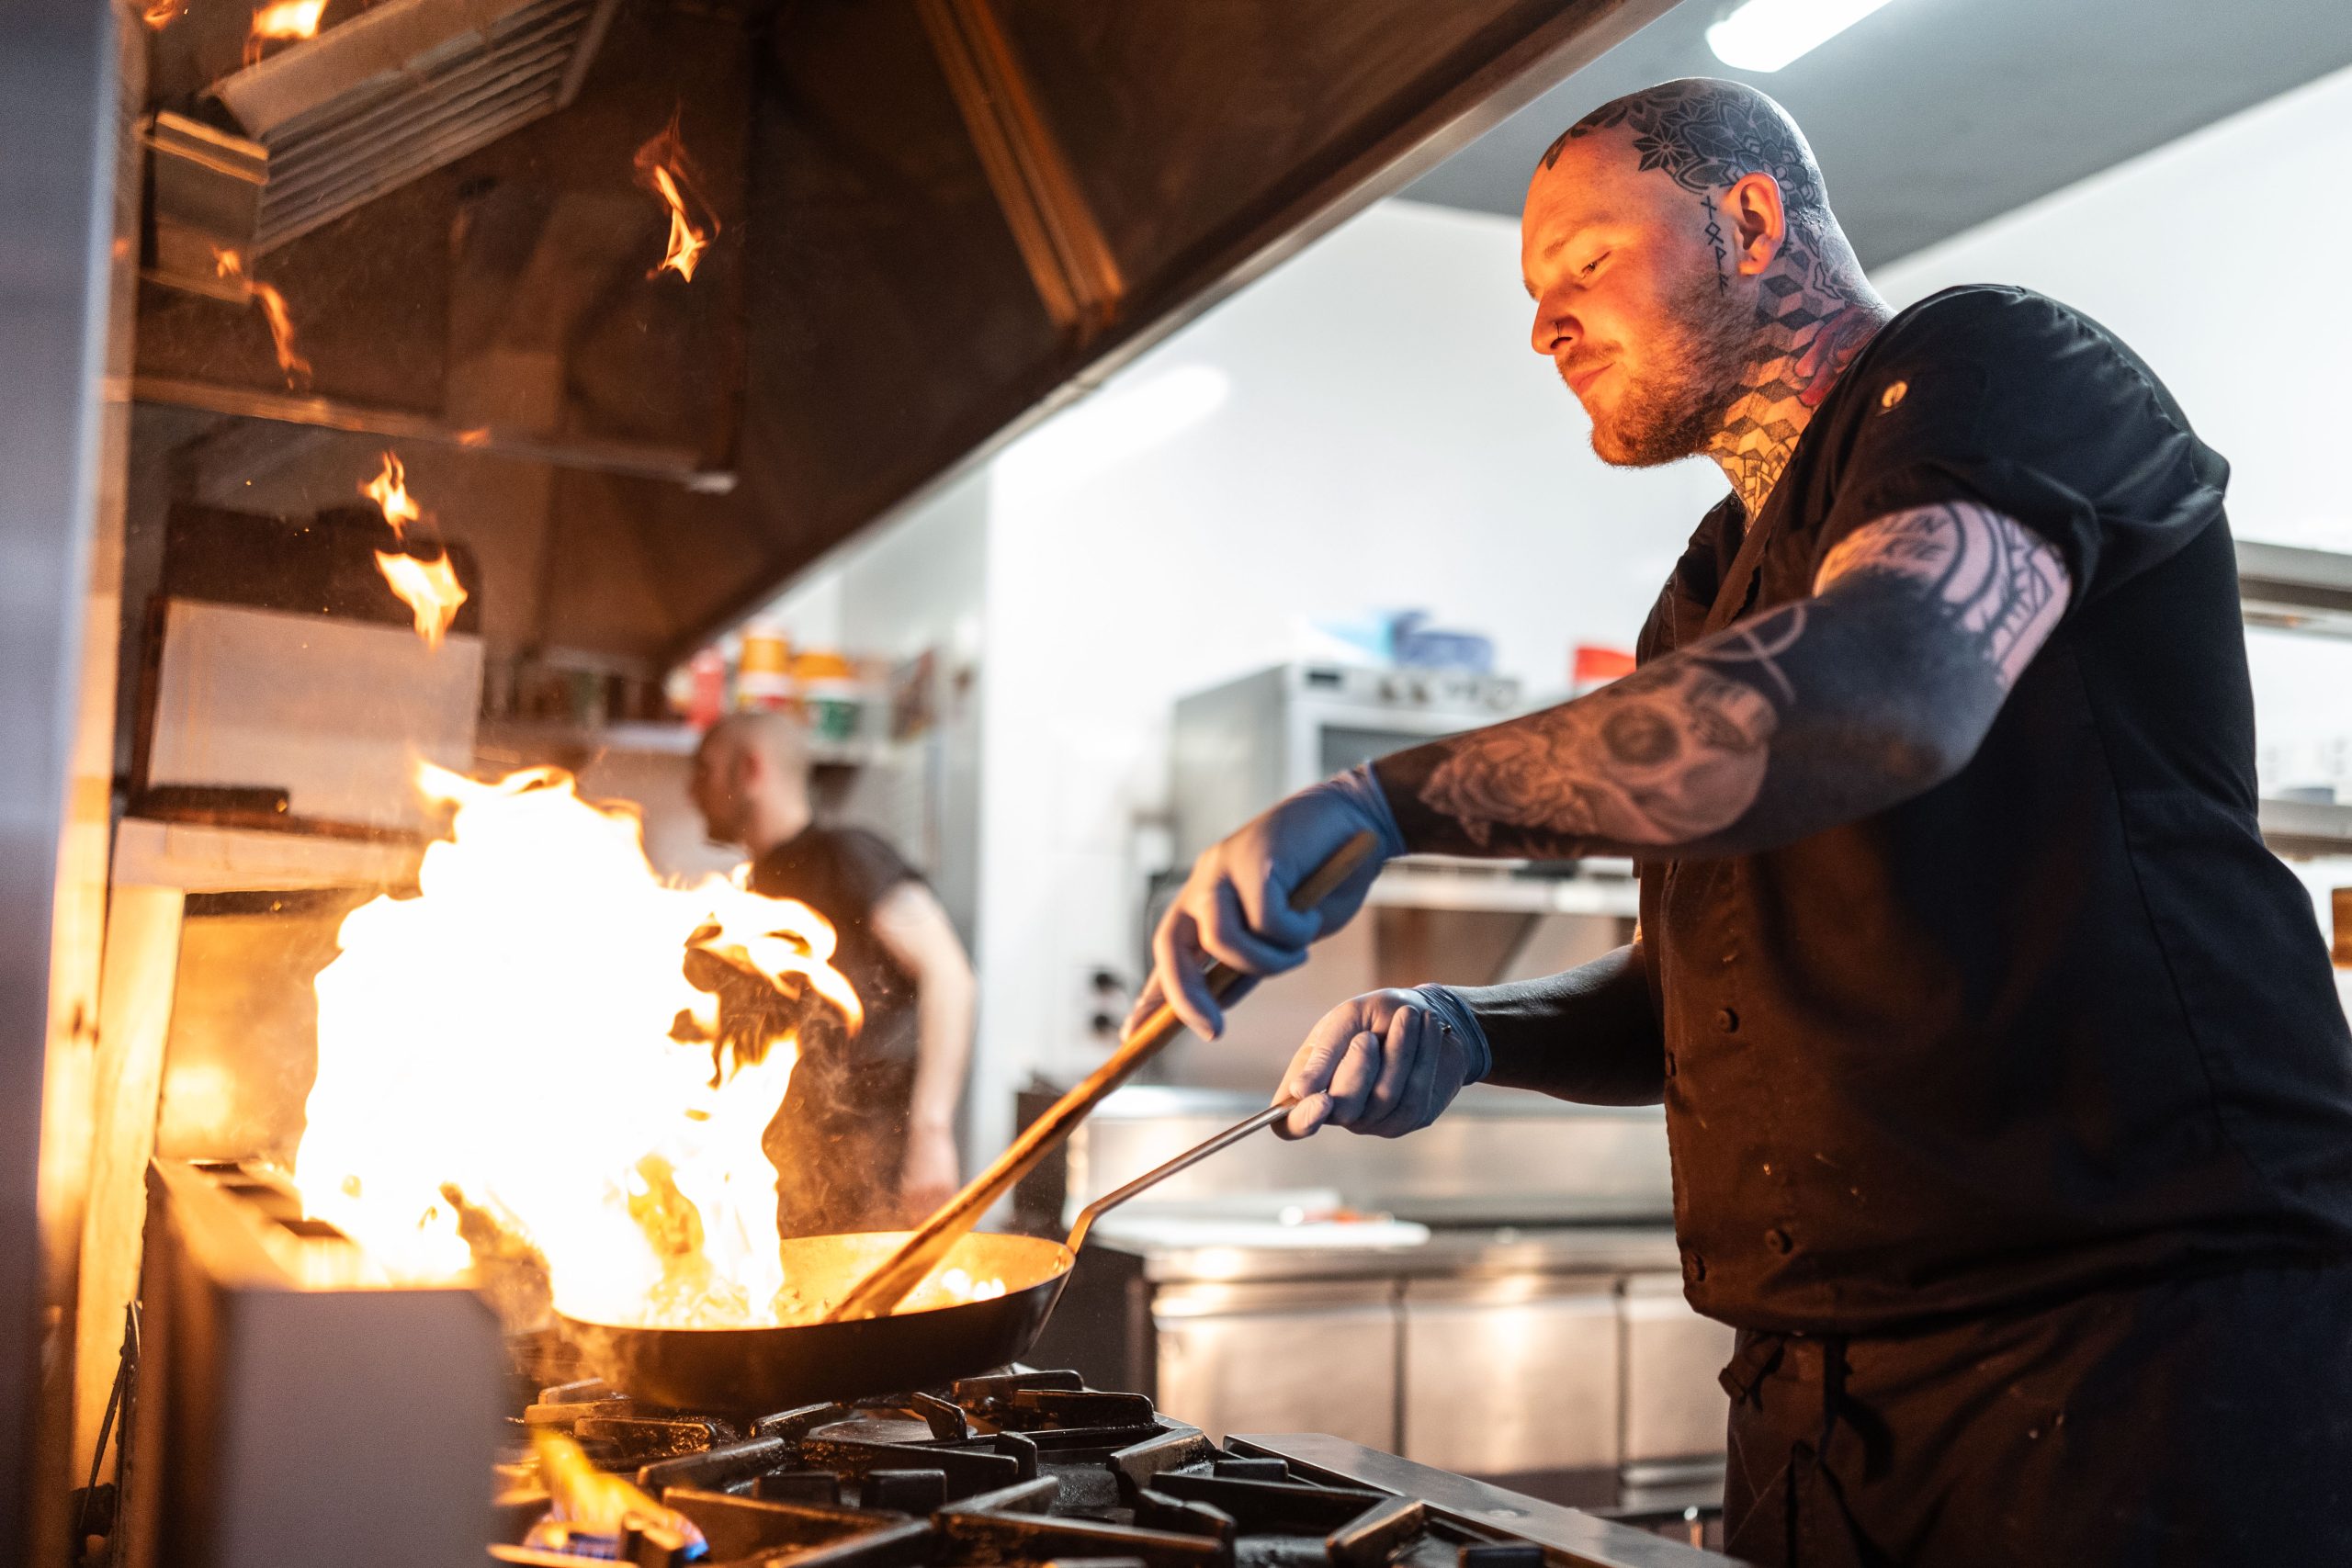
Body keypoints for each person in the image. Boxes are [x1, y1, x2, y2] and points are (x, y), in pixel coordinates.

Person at [1133, 77, 2352, 1567]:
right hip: (1813, 1396)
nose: (1545, 327)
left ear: (1752, 218)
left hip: (2132, 1349)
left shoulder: (1994, 366)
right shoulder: (1706, 595)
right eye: (1533, 296)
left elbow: (1886, 690)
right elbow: (1707, 994)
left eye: (1581, 262)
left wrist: (1391, 796)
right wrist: (1472, 1027)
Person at [691, 710, 975, 1235]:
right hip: (791, 1190)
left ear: (750, 769)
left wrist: (932, 1131)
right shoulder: (749, 892)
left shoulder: (846, 857)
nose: (693, 789)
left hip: (874, 1185)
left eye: (704, 769)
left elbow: (950, 974)